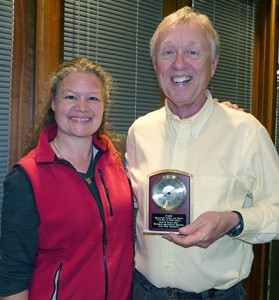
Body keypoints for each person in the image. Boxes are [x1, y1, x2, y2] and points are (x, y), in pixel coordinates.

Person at [126, 6, 279, 300]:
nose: (179, 64)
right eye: (167, 52)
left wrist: (233, 221)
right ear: (155, 64)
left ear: (214, 64)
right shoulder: (139, 132)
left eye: (193, 52)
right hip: (144, 292)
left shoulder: (247, 132)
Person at [0, 58, 134, 300]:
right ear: (53, 103)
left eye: (93, 98)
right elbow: (12, 275)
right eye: (71, 97)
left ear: (104, 107)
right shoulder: (26, 177)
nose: (82, 107)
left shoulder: (119, 161)